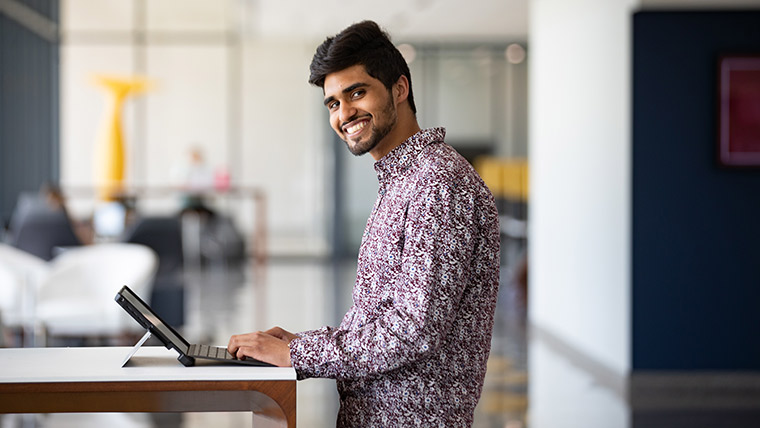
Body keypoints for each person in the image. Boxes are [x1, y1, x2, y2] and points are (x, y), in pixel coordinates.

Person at [228, 20, 501, 427]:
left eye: (357, 92)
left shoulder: (437, 184)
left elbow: (413, 331)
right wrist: (305, 342)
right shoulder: (403, 181)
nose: (345, 113)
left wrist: (299, 356)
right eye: (333, 103)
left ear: (400, 89)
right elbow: (385, 320)